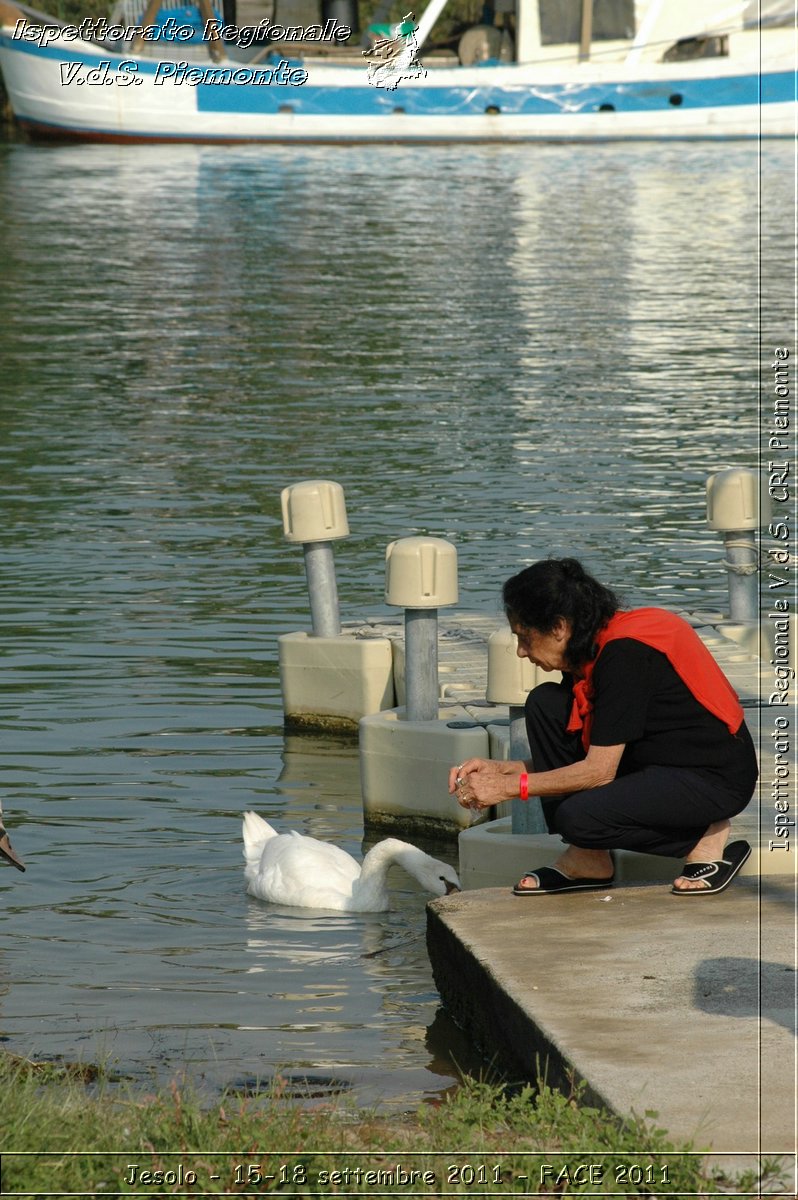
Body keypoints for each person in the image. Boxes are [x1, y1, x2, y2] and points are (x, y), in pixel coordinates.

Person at [449, 558, 757, 896]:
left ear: (558, 627)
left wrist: (509, 788)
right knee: (546, 703)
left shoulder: (624, 655)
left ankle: (703, 839)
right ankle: (588, 858)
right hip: (655, 761)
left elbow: (598, 772)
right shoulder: (589, 644)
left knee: (578, 818)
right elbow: (589, 752)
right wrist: (502, 770)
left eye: (525, 637)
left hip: (711, 778)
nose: (521, 652)